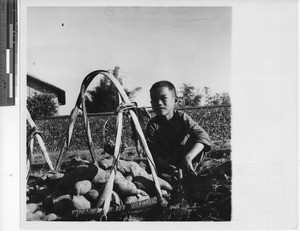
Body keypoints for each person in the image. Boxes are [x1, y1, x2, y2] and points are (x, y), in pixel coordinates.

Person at [145, 81, 211, 177]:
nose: (159, 103)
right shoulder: (152, 125)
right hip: (166, 164)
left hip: (186, 158)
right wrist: (171, 168)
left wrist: (188, 157)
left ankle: (190, 172)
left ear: (175, 101)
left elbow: (203, 136)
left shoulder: (182, 118)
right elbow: (153, 154)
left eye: (164, 98)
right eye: (154, 100)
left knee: (197, 142)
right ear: (151, 103)